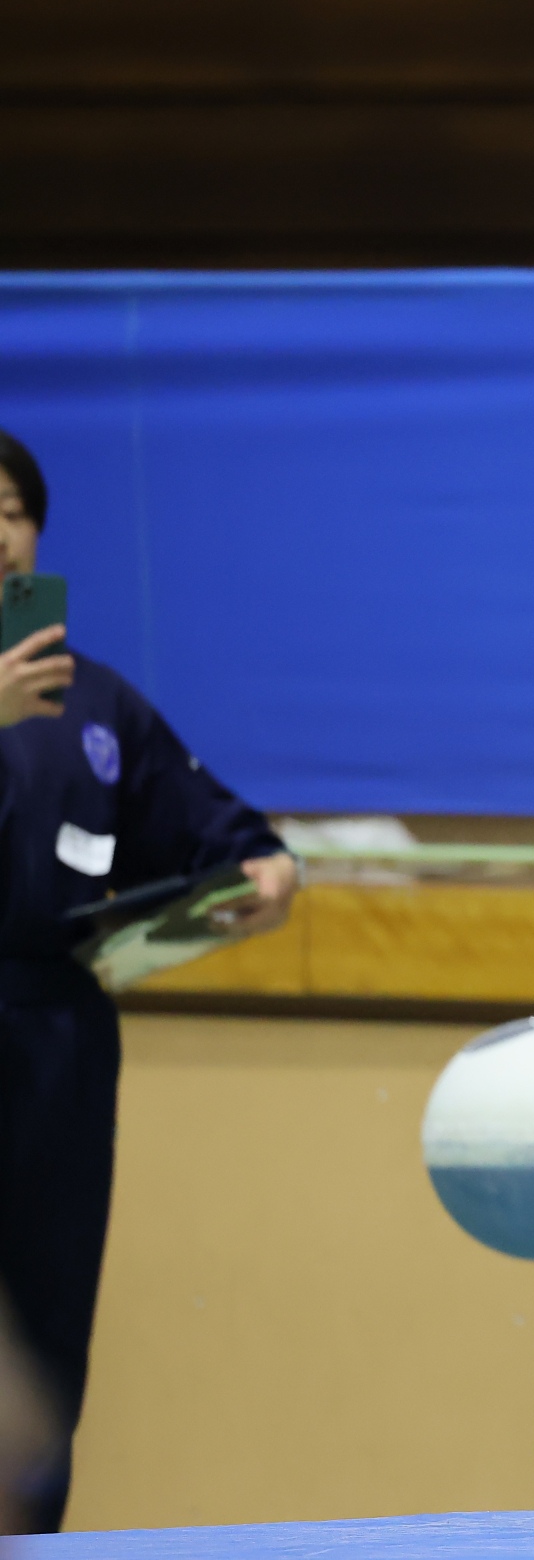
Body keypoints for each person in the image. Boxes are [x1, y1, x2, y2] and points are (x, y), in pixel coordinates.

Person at [0, 428, 298, 1531]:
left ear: (36, 533)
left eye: (8, 510)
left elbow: (219, 829)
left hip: (59, 1039)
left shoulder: (97, 706)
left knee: (47, 1331)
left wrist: (265, 872)